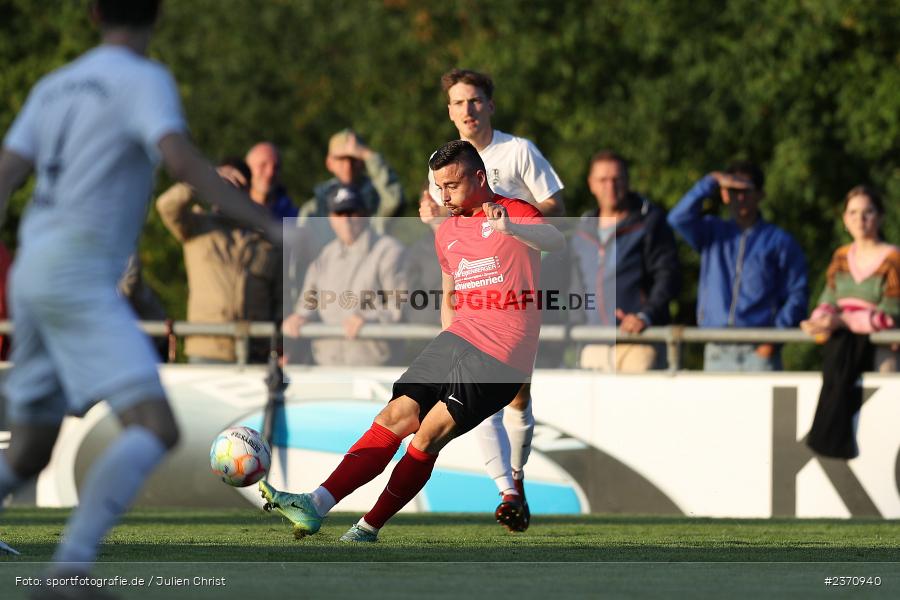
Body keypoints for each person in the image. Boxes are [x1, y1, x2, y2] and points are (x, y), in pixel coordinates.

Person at [0, 1, 281, 586]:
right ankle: (70, 572)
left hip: (31, 270)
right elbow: (180, 159)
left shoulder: (53, 87)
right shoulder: (144, 79)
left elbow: (6, 172)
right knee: (155, 427)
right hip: (78, 272)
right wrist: (271, 223)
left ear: (94, 14)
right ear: (156, 13)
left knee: (30, 450)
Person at [260, 139, 564, 543]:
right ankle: (315, 503)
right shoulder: (448, 231)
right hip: (458, 339)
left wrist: (509, 227)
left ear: (479, 177)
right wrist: (449, 334)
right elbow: (450, 293)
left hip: (502, 354)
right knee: (394, 417)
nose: (444, 196)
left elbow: (557, 241)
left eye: (452, 186)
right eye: (439, 187)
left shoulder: (514, 212)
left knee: (427, 435)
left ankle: (367, 527)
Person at [422, 68, 566, 531]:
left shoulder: (518, 150)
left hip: (515, 284)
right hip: (471, 285)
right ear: (449, 110)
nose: (468, 110)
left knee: (518, 395)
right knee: (474, 390)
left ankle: (516, 480)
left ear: (490, 105)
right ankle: (506, 489)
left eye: (475, 101)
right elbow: (449, 228)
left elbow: (554, 210)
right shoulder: (443, 162)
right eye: (459, 102)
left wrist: (505, 222)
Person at [667, 161, 808, 371]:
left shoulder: (779, 241)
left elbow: (798, 293)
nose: (739, 198)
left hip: (759, 350)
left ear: (760, 194)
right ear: (724, 194)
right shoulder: (711, 231)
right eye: (733, 191)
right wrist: (711, 181)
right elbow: (677, 218)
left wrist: (775, 337)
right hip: (716, 348)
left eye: (746, 191)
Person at [157, 157, 282, 364]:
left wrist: (281, 345)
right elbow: (166, 206)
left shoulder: (266, 242)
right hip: (208, 351)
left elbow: (280, 300)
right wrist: (205, 177)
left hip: (256, 354)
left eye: (236, 186)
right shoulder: (197, 227)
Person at [570, 151, 680, 372]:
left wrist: (645, 315)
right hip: (593, 343)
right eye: (602, 180)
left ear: (627, 181)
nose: (610, 186)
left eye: (616, 179)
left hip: (638, 342)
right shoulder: (582, 231)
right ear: (591, 184)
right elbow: (576, 284)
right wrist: (576, 325)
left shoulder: (650, 222)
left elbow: (668, 276)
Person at [282, 184, 408, 366]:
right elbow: (307, 305)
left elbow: (401, 304)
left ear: (365, 214)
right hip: (327, 367)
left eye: (352, 212)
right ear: (330, 219)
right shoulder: (324, 257)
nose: (346, 219)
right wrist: (300, 317)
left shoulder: (389, 251)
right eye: (339, 213)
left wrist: (369, 319)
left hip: (375, 369)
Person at [800, 186, 900, 372]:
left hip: (882, 347)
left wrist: (842, 321)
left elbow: (890, 316)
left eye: (867, 212)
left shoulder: (893, 259)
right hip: (844, 347)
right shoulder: (841, 256)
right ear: (845, 219)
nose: (860, 219)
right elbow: (829, 299)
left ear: (880, 217)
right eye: (853, 212)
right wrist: (819, 320)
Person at [297, 128, 404, 244]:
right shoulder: (314, 208)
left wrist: (368, 155)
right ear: (329, 163)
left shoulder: (377, 196)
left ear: (363, 161)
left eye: (354, 159)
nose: (348, 166)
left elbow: (394, 201)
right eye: (341, 159)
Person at [245, 141, 298, 219]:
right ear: (247, 168)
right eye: (262, 165)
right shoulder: (230, 210)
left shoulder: (296, 218)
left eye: (276, 167)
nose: (270, 173)